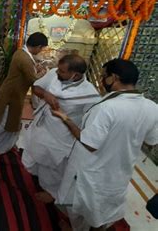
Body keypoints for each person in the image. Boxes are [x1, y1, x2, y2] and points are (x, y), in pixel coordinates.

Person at [53, 59, 158, 231]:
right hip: (120, 171)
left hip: (94, 171)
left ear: (114, 78)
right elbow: (151, 141)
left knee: (83, 206)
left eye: (104, 76)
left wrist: (66, 119)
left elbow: (89, 144)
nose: (102, 80)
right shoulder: (153, 108)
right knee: (104, 209)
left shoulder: (108, 108)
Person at [21, 54, 100, 203]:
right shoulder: (54, 74)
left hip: (61, 136)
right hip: (42, 125)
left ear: (75, 75)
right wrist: (45, 94)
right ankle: (39, 178)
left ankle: (51, 192)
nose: (57, 72)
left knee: (53, 167)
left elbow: (90, 124)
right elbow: (36, 87)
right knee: (35, 153)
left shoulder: (90, 95)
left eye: (62, 71)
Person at [0, 32, 48, 159]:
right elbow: (33, 80)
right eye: (42, 48)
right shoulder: (24, 58)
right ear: (37, 46)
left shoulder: (22, 53)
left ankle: (4, 146)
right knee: (2, 124)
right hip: (10, 96)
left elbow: (28, 73)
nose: (41, 51)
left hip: (14, 94)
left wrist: (35, 68)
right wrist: (43, 72)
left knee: (12, 123)